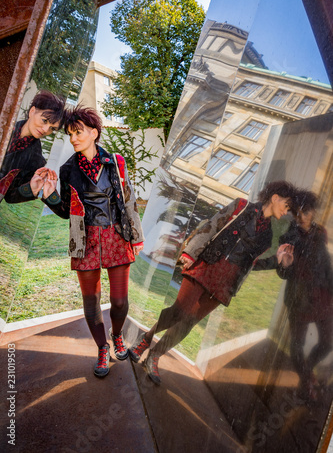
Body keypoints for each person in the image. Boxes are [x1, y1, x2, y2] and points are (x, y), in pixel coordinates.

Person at [129, 180, 296, 385]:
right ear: (275, 197)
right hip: (207, 265)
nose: (287, 211)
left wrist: (277, 260)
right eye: (286, 205)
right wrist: (191, 252)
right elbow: (212, 225)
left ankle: (155, 356)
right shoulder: (241, 206)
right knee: (179, 311)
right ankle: (146, 339)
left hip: (226, 283)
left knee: (189, 322)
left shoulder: (268, 235)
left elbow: (252, 264)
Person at [40, 106, 144, 378]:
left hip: (116, 237)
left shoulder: (116, 162)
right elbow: (65, 210)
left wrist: (137, 236)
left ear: (94, 133)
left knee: (120, 302)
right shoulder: (68, 170)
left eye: (79, 132)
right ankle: (101, 347)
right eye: (70, 134)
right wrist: (49, 195)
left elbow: (129, 200)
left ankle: (117, 334)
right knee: (91, 303)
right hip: (84, 241)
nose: (73, 138)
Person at [276, 190, 333, 400]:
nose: (300, 217)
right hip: (299, 298)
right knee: (297, 344)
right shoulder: (288, 235)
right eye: (296, 212)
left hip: (323, 296)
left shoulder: (321, 233)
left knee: (327, 343)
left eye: (305, 211)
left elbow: (325, 263)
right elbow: (283, 272)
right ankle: (307, 381)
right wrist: (285, 264)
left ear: (313, 212)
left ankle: (306, 376)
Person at [0, 90, 65, 203]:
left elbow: (10, 196)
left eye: (52, 128)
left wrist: (31, 188)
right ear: (32, 111)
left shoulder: (36, 160)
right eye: (44, 121)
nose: (46, 130)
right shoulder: (4, 123)